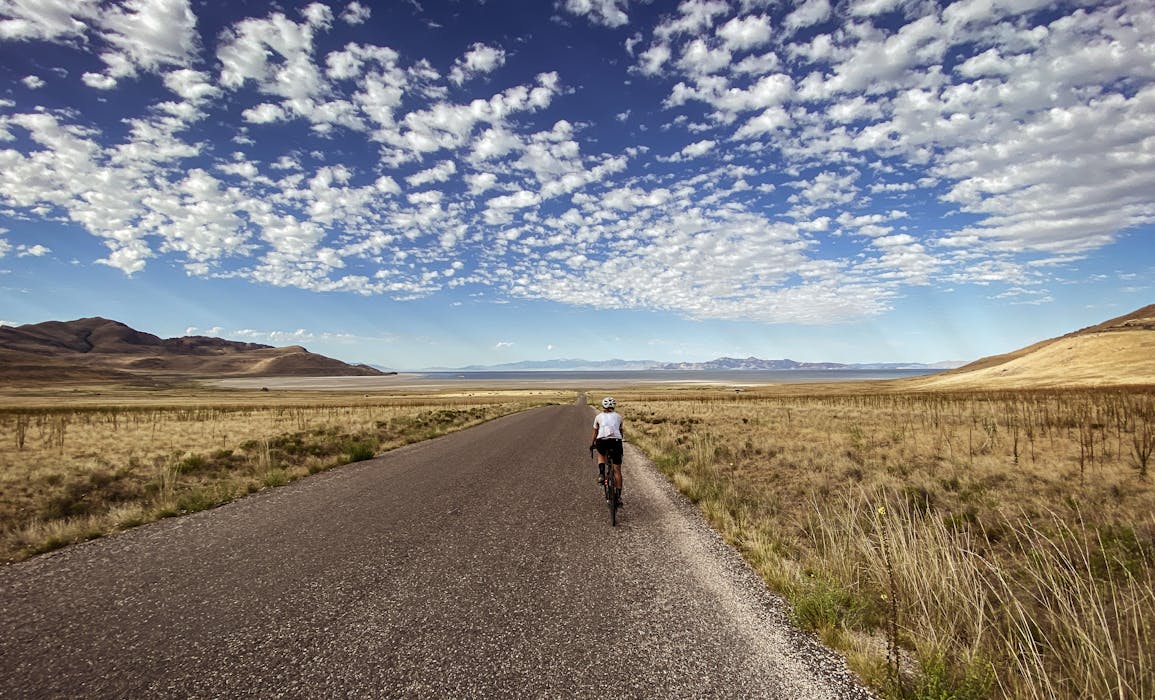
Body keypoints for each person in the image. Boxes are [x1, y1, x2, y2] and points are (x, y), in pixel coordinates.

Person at [590, 396, 624, 493]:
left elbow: (595, 432)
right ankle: (618, 495)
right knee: (617, 470)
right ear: (614, 406)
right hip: (616, 441)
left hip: (602, 440)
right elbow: (621, 431)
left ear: (603, 406)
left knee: (601, 454)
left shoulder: (598, 417)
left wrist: (592, 444)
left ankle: (601, 474)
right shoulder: (619, 416)